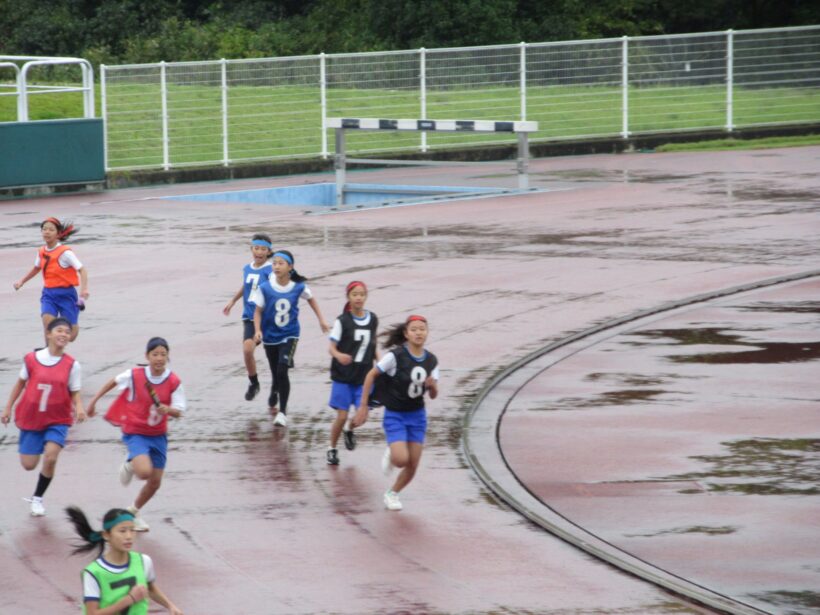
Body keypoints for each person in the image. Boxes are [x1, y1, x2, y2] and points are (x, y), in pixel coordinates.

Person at [86, 337, 185, 532]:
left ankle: (133, 511)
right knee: (144, 472)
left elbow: (179, 410)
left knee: (155, 482)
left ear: (168, 357)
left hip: (158, 435)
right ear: (147, 356)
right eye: (155, 354)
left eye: (163, 354)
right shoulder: (135, 375)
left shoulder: (173, 381)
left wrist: (168, 409)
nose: (159, 358)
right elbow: (112, 382)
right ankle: (131, 462)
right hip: (136, 432)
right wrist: (93, 402)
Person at [352, 315, 439, 511]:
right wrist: (363, 406)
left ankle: (392, 493)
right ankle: (392, 452)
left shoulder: (432, 360)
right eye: (414, 329)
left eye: (422, 329)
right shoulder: (396, 356)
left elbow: (433, 395)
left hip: (417, 416)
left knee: (413, 464)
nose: (418, 333)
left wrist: (432, 387)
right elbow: (371, 374)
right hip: (396, 415)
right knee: (401, 460)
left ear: (427, 332)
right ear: (406, 334)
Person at [2, 317, 85, 517]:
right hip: (32, 417)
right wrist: (7, 408)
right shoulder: (32, 359)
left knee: (50, 457)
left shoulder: (72, 365)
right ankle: (37, 446)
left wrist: (80, 408)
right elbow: (20, 383)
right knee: (29, 465)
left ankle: (38, 497)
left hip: (58, 419)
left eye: (67, 331)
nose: (63, 334)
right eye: (59, 331)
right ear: (48, 334)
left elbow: (75, 391)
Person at [252, 250, 329, 427]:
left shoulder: (298, 286)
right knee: (275, 370)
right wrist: (257, 330)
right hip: (270, 335)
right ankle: (274, 387)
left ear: (290, 267)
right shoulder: (265, 288)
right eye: (274, 263)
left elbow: (311, 299)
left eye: (280, 263)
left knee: (282, 369)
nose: (276, 266)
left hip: (290, 334)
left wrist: (321, 320)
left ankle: (283, 412)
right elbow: (257, 311)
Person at [65, 506, 183, 615]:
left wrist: (170, 606)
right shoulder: (93, 573)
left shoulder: (143, 561)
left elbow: (150, 588)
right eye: (122, 531)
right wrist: (130, 599)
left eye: (132, 530)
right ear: (106, 535)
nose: (128, 536)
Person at [326, 281, 378, 465]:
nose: (358, 297)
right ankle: (332, 448)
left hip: (363, 376)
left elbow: (373, 345)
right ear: (348, 297)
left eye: (362, 294)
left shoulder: (372, 319)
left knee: (362, 416)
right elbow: (331, 348)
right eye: (355, 294)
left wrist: (381, 363)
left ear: (366, 296)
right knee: (341, 415)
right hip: (343, 375)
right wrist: (339, 355)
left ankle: (349, 429)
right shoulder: (342, 321)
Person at [13, 217, 89, 342]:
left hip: (67, 295)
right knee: (48, 323)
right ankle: (48, 354)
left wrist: (84, 290)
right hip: (49, 293)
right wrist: (22, 281)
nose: (47, 232)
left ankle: (71, 330)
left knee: (71, 335)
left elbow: (82, 270)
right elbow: (36, 268)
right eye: (44, 229)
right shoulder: (41, 251)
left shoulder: (65, 253)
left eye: (51, 230)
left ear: (58, 234)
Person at [222, 233, 274, 401]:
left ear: (268, 251)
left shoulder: (271, 270)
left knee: (274, 355)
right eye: (256, 248)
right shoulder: (247, 268)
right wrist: (233, 301)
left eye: (263, 249)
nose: (259, 252)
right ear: (251, 248)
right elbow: (246, 286)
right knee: (247, 350)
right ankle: (254, 382)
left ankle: (277, 386)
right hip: (249, 317)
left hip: (267, 319)